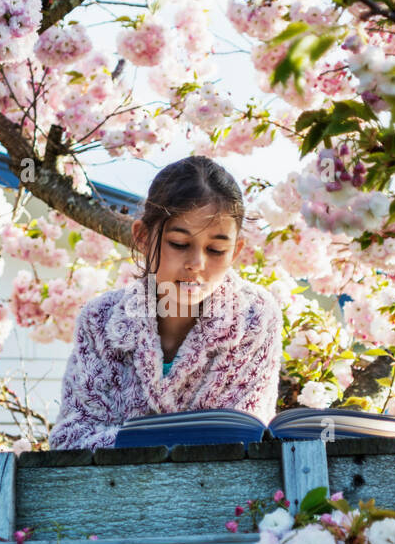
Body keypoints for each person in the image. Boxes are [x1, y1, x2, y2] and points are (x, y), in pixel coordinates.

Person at [47, 156, 283, 450]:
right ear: (143, 238)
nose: (196, 263)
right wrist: (160, 442)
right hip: (114, 493)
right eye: (179, 244)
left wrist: (130, 440)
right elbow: (73, 437)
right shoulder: (100, 320)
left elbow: (243, 433)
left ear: (236, 252)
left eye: (216, 249)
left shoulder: (254, 317)